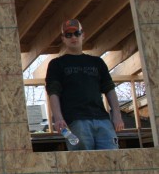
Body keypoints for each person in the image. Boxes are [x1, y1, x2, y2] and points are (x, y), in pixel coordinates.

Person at [45, 19, 124, 151]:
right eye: (68, 35)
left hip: (103, 121)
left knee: (112, 161)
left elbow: (109, 89)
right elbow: (53, 93)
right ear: (63, 39)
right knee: (82, 164)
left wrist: (117, 115)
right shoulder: (57, 64)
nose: (73, 37)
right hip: (75, 122)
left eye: (76, 33)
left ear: (83, 35)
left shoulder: (97, 62)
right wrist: (58, 118)